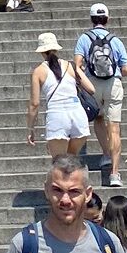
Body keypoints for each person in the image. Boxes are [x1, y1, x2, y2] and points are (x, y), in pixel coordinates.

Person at [77, 2, 127, 186]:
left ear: (91, 19)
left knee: (99, 118)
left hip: (92, 84)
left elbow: (77, 64)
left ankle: (106, 154)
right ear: (107, 19)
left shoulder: (84, 38)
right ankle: (115, 174)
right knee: (114, 128)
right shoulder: (115, 40)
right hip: (113, 84)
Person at [30, 32, 96, 160]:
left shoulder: (38, 71)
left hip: (57, 115)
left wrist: (30, 128)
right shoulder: (71, 65)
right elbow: (91, 89)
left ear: (41, 52)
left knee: (59, 162)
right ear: (56, 49)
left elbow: (34, 104)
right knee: (71, 159)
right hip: (78, 114)